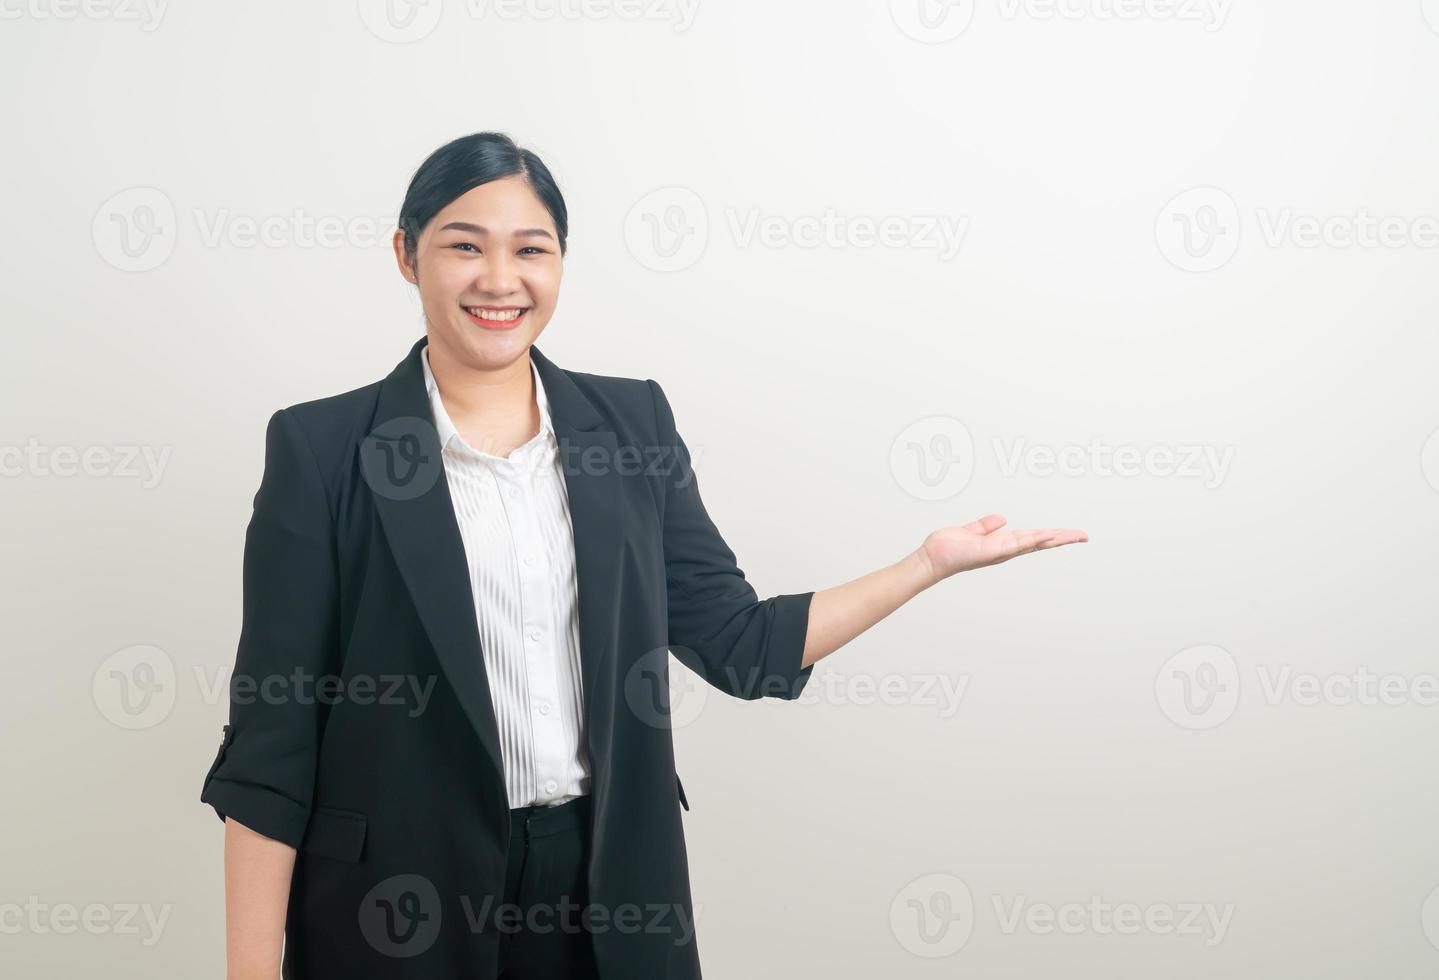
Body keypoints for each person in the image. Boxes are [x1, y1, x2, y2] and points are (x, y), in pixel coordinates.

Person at [201, 131, 1089, 980]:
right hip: (395, 902)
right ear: (407, 254)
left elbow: (739, 644)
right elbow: (273, 747)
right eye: (464, 246)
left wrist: (924, 565)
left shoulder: (631, 428)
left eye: (532, 250)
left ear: (560, 262)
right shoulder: (322, 450)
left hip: (608, 885)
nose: (500, 280)